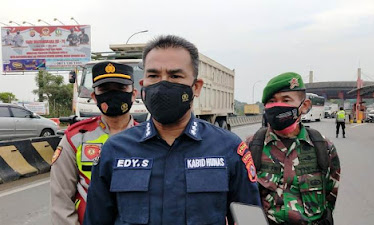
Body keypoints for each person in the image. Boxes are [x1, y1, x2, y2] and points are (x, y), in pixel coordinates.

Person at [84, 35, 261, 225]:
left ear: (196, 87)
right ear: (143, 85)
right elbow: (96, 219)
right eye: (153, 76)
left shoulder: (228, 148)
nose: (162, 84)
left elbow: (250, 220)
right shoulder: (115, 149)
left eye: (175, 76)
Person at [50, 61, 139, 225]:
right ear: (94, 96)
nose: (112, 95)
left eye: (120, 89)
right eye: (105, 90)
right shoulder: (76, 137)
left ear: (133, 94)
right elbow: (61, 198)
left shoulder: (147, 139)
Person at [248, 72, 340, 225]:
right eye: (272, 101)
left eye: (286, 100)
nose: (278, 106)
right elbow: (243, 198)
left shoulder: (323, 148)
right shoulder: (251, 147)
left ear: (304, 106)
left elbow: (329, 199)